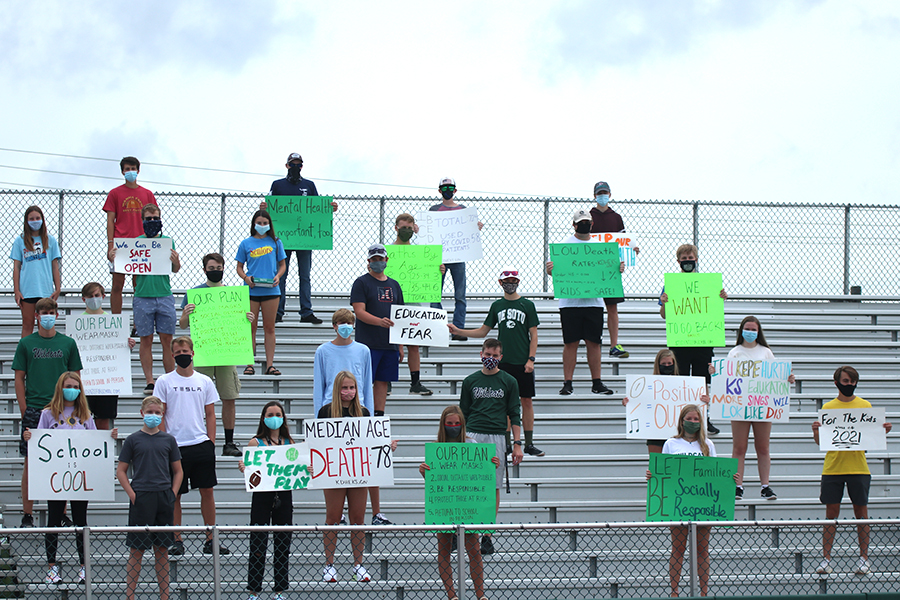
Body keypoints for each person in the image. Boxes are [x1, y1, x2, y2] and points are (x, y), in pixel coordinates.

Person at [22, 372, 117, 584]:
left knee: (80, 520)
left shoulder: (86, 415)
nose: (71, 389)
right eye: (68, 385)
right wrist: (29, 437)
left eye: (75, 386)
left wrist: (108, 437)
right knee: (54, 520)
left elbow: (94, 442)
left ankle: (84, 568)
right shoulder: (48, 414)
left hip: (80, 477)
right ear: (60, 388)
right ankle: (51, 568)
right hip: (56, 478)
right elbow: (40, 444)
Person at [450, 266, 543, 457]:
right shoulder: (497, 306)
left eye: (513, 281)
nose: (511, 284)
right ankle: (508, 443)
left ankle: (529, 442)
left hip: (522, 361)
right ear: (501, 282)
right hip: (504, 361)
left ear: (518, 282)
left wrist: (531, 359)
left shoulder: (527, 305)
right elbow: (484, 331)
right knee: (507, 404)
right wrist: (460, 331)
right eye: (507, 281)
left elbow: (533, 334)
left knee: (526, 401)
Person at [812, 366, 892, 576]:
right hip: (833, 467)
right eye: (846, 381)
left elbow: (868, 440)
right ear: (836, 382)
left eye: (852, 381)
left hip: (858, 467)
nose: (849, 385)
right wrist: (816, 431)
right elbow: (822, 442)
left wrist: (883, 431)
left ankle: (864, 559)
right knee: (831, 514)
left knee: (861, 513)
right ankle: (826, 559)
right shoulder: (829, 407)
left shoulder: (865, 405)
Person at [648, 404, 733, 597]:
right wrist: (653, 475)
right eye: (689, 419)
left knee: (702, 549)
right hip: (678, 504)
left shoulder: (708, 445)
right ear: (682, 421)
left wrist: (730, 479)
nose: (693, 422)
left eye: (696, 419)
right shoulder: (670, 443)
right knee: (677, 548)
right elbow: (663, 472)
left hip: (702, 503)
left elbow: (716, 473)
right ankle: (674, 592)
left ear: (701, 422)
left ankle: (703, 592)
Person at [13, 297, 82, 528]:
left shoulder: (68, 343)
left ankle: (60, 514)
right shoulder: (26, 343)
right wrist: (25, 410)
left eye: (51, 311)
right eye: (42, 312)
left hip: (62, 411)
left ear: (57, 314)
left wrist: (75, 406)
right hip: (34, 408)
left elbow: (76, 377)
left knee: (63, 462)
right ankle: (27, 514)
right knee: (30, 463)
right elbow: (19, 378)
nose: (47, 316)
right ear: (36, 316)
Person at [156, 336, 229, 555]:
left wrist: (211, 442)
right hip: (174, 446)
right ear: (172, 355)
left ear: (193, 353)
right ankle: (176, 539)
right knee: (175, 495)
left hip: (200, 444)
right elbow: (160, 414)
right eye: (178, 353)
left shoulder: (204, 381)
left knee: (207, 492)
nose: (182, 356)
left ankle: (210, 540)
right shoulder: (164, 381)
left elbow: (210, 414)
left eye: (185, 352)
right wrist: (163, 443)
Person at [419, 405, 498, 600]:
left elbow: (480, 476)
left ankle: (480, 596)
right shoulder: (436, 448)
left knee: (474, 551)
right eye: (449, 423)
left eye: (457, 423)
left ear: (462, 424)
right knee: (444, 549)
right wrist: (424, 472)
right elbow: (436, 481)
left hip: (468, 504)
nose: (453, 426)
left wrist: (491, 465)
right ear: (443, 424)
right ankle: (452, 595)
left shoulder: (473, 445)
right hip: (445, 505)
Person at [350, 243, 403, 525]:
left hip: (389, 345)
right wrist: (380, 323)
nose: (378, 262)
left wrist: (401, 341)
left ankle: (377, 416)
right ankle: (363, 412)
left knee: (383, 381)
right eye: (374, 258)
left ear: (386, 259)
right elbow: (358, 311)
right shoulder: (361, 282)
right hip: (367, 342)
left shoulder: (395, 285)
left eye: (381, 258)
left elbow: (403, 317)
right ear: (368, 260)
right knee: (365, 382)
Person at [180, 252, 253, 456]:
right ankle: (197, 439)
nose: (215, 271)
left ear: (223, 268)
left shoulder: (233, 295)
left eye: (218, 268)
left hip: (226, 352)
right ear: (204, 270)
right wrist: (186, 314)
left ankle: (229, 442)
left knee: (229, 397)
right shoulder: (195, 293)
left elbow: (243, 326)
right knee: (197, 398)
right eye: (211, 268)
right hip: (204, 352)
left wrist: (248, 318)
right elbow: (183, 325)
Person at [546, 209, 624, 395]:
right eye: (580, 222)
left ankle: (596, 382)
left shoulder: (600, 247)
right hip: (569, 303)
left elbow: (612, 270)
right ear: (573, 225)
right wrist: (550, 269)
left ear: (592, 224)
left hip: (594, 303)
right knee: (570, 343)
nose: (584, 225)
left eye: (587, 222)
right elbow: (553, 271)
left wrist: (618, 267)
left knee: (594, 343)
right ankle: (568, 382)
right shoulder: (563, 246)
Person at [318, 372, 387, 583]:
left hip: (358, 472)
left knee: (358, 519)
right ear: (337, 389)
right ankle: (329, 564)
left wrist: (386, 445)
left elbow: (372, 442)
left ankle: (358, 564)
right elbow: (319, 441)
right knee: (333, 518)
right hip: (334, 471)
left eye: (352, 388)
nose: (349, 392)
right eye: (345, 388)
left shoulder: (364, 412)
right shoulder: (326, 411)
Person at [460, 338, 524, 555]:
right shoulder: (470, 381)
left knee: (492, 486)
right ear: (481, 354)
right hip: (473, 433)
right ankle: (462, 531)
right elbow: (463, 413)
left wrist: (517, 444)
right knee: (467, 485)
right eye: (487, 354)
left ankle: (487, 534)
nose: (491, 359)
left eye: (495, 356)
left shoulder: (509, 381)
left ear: (501, 357)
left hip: (497, 435)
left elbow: (515, 413)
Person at [720, 316, 795, 501]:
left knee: (763, 447)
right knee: (739, 447)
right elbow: (727, 376)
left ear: (759, 332)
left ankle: (765, 486)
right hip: (739, 405)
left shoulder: (766, 352)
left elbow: (775, 375)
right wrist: (716, 372)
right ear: (741, 331)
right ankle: (737, 486)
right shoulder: (735, 352)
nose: (751, 332)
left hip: (762, 404)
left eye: (754, 329)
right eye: (747, 329)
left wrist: (787, 378)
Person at [117, 396, 183, 600]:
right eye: (149, 412)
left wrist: (172, 494)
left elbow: (178, 471)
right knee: (137, 550)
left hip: (163, 497)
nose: (153, 416)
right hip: (141, 496)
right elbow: (121, 470)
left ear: (162, 414)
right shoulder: (133, 439)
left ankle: (165, 595)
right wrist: (132, 494)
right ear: (141, 413)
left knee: (162, 550)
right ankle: (130, 595)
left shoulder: (169, 440)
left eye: (157, 412)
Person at [659, 243, 727, 435]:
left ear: (696, 259)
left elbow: (713, 309)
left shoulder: (708, 283)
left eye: (691, 258)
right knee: (679, 381)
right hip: (680, 341)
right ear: (678, 261)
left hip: (703, 341)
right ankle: (678, 420)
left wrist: (721, 296)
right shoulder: (670, 284)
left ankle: (704, 419)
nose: (687, 262)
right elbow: (664, 315)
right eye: (684, 259)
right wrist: (664, 303)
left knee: (701, 382)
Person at [263, 152, 337, 324]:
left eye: (299, 164)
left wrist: (330, 208)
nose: (295, 167)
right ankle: (277, 311)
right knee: (281, 274)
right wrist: (264, 207)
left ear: (302, 166)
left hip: (305, 238)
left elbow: (316, 209)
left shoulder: (309, 185)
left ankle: (306, 311)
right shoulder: (278, 185)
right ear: (287, 165)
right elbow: (271, 208)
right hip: (284, 238)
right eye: (292, 164)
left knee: (305, 275)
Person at [238, 401, 294, 600]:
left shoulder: (289, 442)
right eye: (270, 414)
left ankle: (279, 589)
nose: (274, 417)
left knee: (282, 543)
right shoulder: (256, 442)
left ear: (283, 418)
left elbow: (296, 467)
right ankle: (254, 589)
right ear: (263, 418)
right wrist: (245, 468)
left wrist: (307, 469)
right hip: (262, 495)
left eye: (278, 414)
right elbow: (250, 468)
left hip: (284, 495)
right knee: (258, 543)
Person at [126, 204, 180, 395]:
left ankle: (169, 379)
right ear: (142, 220)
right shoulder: (136, 242)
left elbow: (175, 269)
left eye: (155, 218)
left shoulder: (168, 241)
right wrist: (116, 256)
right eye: (148, 218)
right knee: (145, 340)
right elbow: (126, 267)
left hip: (164, 294)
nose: (152, 222)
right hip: (142, 296)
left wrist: (176, 261)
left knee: (167, 340)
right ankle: (149, 380)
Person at [622, 349, 712, 454]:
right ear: (657, 364)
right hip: (655, 433)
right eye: (663, 363)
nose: (667, 366)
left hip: (679, 433)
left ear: (674, 364)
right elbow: (640, 402)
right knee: (656, 467)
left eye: (669, 363)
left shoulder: (685, 385)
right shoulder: (648, 385)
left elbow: (692, 407)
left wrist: (704, 402)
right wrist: (629, 403)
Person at [590, 181, 640, 359]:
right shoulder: (589, 216)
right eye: (599, 193)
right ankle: (593, 341)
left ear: (609, 195)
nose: (602, 196)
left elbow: (624, 242)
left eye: (604, 192)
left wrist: (631, 251)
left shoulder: (616, 217)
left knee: (612, 307)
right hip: (592, 269)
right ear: (594, 195)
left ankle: (613, 344)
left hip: (612, 269)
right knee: (592, 307)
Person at [390, 212, 439, 395]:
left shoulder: (420, 253)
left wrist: (437, 269)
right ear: (396, 228)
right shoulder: (388, 252)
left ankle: (415, 382)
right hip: (390, 300)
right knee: (390, 342)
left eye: (410, 228)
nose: (406, 231)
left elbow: (428, 275)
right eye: (403, 228)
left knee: (414, 344)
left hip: (412, 302)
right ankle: (386, 381)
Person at [429, 177, 483, 338]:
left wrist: (476, 227)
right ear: (439, 191)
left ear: (455, 190)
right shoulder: (434, 210)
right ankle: (439, 328)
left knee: (460, 294)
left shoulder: (463, 209)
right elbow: (428, 233)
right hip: (439, 259)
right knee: (434, 295)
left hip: (459, 257)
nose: (447, 190)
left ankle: (458, 329)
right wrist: (419, 228)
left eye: (450, 187)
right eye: (444, 188)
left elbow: (468, 234)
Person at [103, 156, 158, 314]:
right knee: (117, 285)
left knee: (139, 286)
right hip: (121, 244)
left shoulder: (147, 194)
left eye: (133, 169)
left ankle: (138, 321)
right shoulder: (115, 193)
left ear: (138, 171)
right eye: (127, 169)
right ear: (122, 171)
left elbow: (154, 219)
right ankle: (116, 320)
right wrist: (110, 245)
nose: (130, 172)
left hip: (142, 243)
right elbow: (110, 220)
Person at [236, 210, 286, 376]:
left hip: (271, 290)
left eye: (265, 223)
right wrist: (245, 277)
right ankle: (249, 364)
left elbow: (282, 265)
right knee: (250, 328)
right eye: (259, 222)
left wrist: (278, 276)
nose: (262, 226)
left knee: (269, 328)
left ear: (269, 224)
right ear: (253, 224)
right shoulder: (245, 243)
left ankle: (270, 364)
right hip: (251, 290)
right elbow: (239, 267)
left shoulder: (276, 242)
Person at [79, 282, 136, 430]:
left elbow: (117, 351)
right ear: (83, 299)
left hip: (106, 380)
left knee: (103, 420)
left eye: (97, 295)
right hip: (86, 379)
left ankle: (101, 452)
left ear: (103, 297)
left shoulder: (113, 322)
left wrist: (126, 345)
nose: (94, 299)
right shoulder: (77, 323)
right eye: (90, 296)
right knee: (82, 419)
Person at [10, 205, 61, 337]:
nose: (35, 221)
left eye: (37, 218)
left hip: (45, 291)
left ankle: (45, 355)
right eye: (31, 218)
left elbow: (55, 266)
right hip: (27, 291)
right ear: (26, 221)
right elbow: (16, 267)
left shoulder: (51, 240)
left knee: (45, 327)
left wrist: (58, 288)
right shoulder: (19, 240)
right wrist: (16, 290)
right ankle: (25, 356)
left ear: (42, 219)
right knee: (27, 325)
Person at [313, 308, 374, 417]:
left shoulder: (363, 351)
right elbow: (318, 386)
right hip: (330, 407)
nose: (346, 326)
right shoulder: (323, 351)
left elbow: (367, 384)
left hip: (357, 408)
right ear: (334, 326)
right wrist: (318, 415)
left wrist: (370, 415)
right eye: (342, 323)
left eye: (349, 323)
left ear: (353, 325)